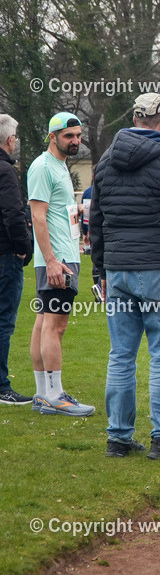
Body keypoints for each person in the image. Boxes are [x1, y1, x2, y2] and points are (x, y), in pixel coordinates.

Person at [91, 93, 160, 458]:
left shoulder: (106, 159)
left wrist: (100, 268)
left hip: (118, 269)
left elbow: (97, 219)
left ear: (135, 119)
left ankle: (119, 437)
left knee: (121, 355)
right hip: (159, 266)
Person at [28, 112, 95, 416]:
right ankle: (55, 396)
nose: (75, 141)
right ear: (52, 136)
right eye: (69, 136)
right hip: (57, 261)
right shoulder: (43, 166)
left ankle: (43, 394)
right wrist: (52, 260)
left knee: (44, 322)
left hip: (64, 256)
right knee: (56, 325)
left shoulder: (59, 166)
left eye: (78, 135)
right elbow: (37, 216)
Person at [0, 114, 32, 405]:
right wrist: (23, 247)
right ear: (10, 140)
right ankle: (1, 385)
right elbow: (13, 212)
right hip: (6, 253)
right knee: (4, 321)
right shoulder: (6, 171)